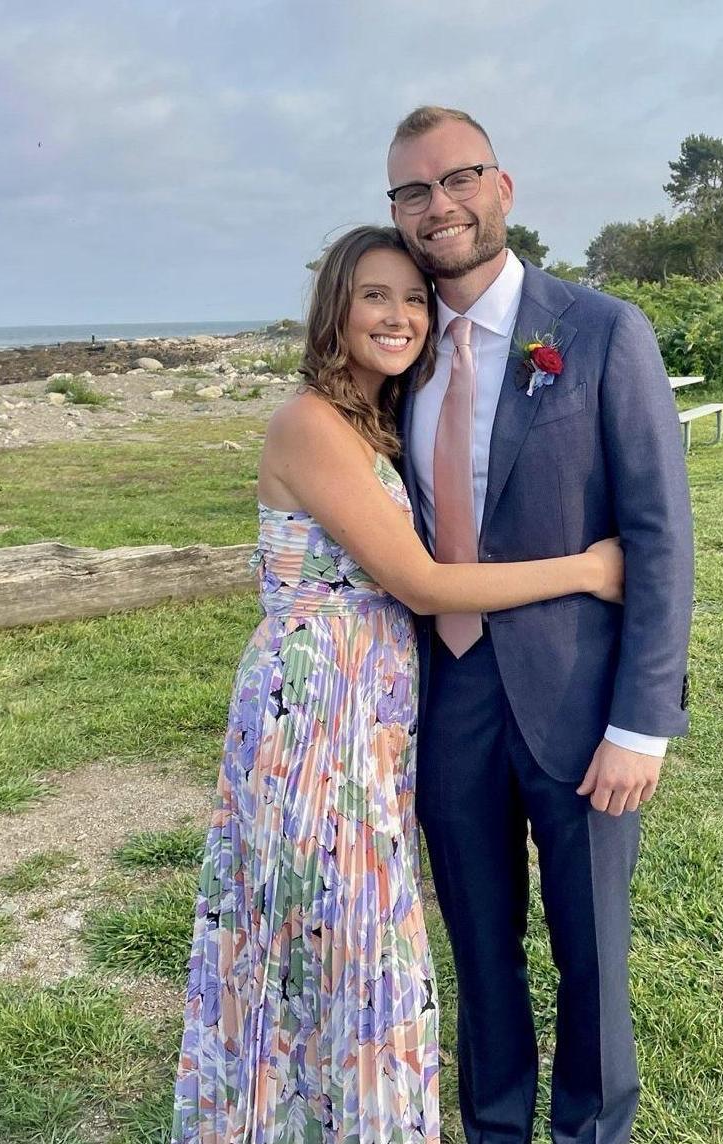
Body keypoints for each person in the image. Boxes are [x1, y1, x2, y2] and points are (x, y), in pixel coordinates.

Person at [170, 224, 625, 1144]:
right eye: (375, 295)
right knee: (334, 935)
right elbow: (420, 582)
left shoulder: (374, 419)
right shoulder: (309, 424)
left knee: (349, 938)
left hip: (368, 712)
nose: (400, 315)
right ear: (334, 307)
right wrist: (585, 569)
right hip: (316, 715)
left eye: (415, 298)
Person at [387, 106, 695, 1143]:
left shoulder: (600, 330)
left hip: (580, 699)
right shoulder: (399, 352)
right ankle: (495, 1127)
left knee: (591, 952)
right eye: (413, 191)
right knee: (479, 948)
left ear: (503, 188)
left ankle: (590, 1131)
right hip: (449, 695)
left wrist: (642, 723)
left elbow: (658, 534)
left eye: (457, 178)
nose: (438, 205)